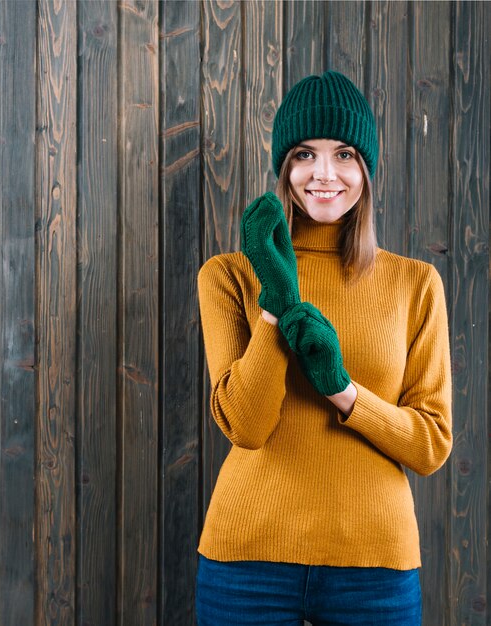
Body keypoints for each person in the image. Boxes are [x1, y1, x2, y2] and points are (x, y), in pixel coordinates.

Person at [195, 71, 452, 626]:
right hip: (247, 562)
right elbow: (246, 426)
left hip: (375, 566)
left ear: (367, 169)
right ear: (285, 167)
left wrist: (342, 391)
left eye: (345, 154)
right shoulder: (230, 275)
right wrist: (275, 303)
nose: (325, 174)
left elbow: (431, 444)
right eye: (305, 154)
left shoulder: (416, 284)